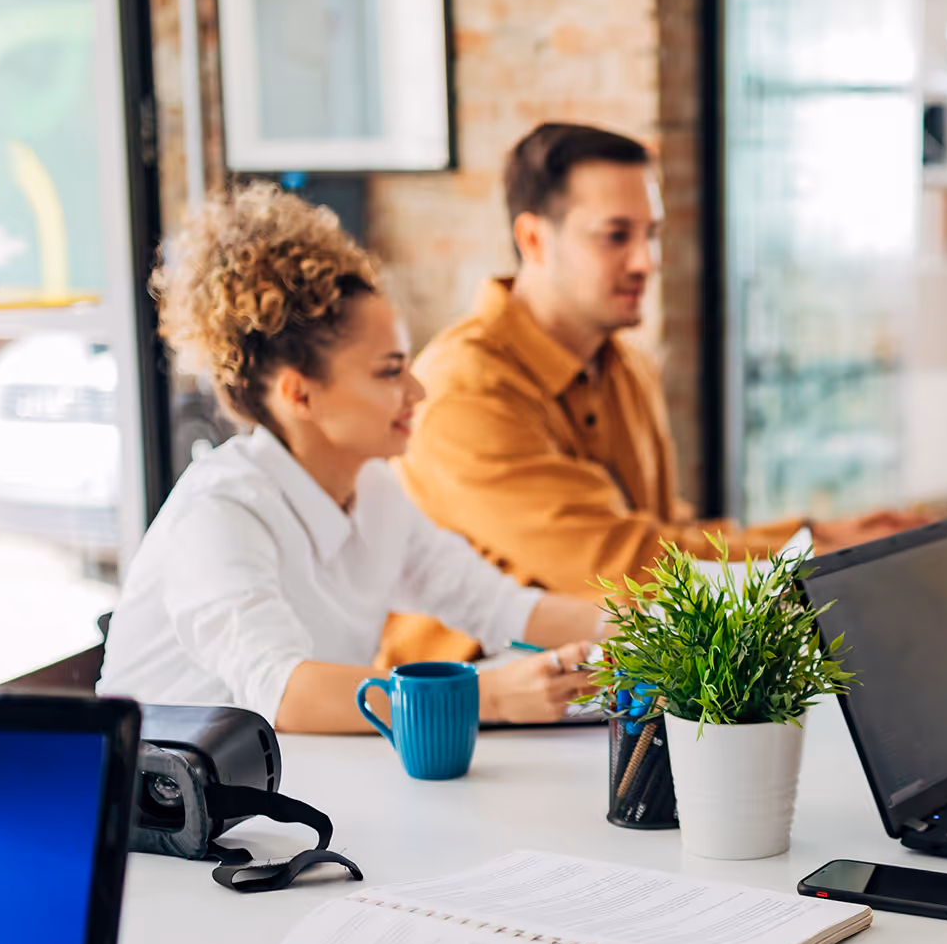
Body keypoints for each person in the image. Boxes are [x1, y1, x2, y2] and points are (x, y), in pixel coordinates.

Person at [383, 122, 919, 664]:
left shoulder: (625, 366)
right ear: (533, 240)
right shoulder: (461, 391)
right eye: (616, 236)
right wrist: (807, 554)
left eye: (652, 233)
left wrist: (814, 533)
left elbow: (664, 537)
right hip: (477, 710)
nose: (647, 261)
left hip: (610, 683)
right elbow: (626, 564)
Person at [99, 185, 600, 732]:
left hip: (294, 781)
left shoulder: (375, 491)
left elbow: (500, 607)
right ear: (299, 395)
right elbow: (285, 692)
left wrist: (660, 628)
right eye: (389, 372)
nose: (418, 391)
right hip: (165, 806)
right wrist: (489, 695)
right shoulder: (219, 513)